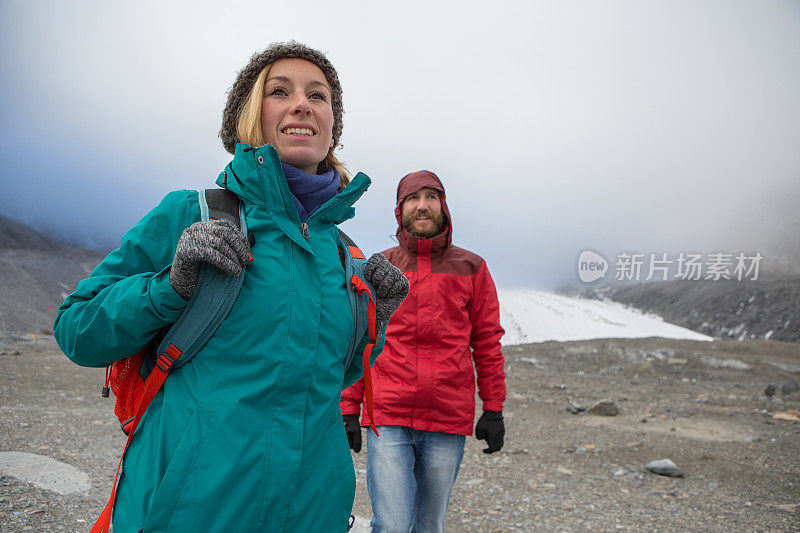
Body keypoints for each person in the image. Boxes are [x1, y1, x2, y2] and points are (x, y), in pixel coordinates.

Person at [54, 41, 409, 532]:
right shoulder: (190, 214)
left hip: (311, 510)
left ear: (332, 128)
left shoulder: (343, 253)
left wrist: (377, 319)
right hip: (192, 509)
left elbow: (333, 376)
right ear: (249, 116)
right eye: (279, 91)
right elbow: (78, 330)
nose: (302, 103)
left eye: (318, 95)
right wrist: (168, 288)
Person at [341, 170, 507, 532]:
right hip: (388, 415)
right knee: (393, 526)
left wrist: (493, 408)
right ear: (399, 210)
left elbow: (487, 342)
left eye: (431, 197)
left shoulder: (472, 268)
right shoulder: (380, 267)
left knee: (429, 526)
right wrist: (347, 409)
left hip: (446, 416)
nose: (422, 205)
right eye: (413, 198)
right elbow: (362, 339)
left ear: (443, 207)